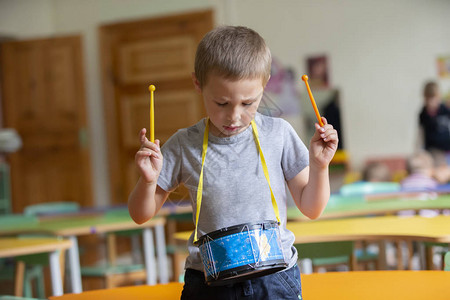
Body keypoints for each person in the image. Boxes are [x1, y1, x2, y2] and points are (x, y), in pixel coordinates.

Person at [128, 26, 338, 300]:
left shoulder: (279, 134)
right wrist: (148, 181)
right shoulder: (184, 144)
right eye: (222, 103)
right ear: (198, 84)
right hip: (208, 285)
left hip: (273, 280)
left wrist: (320, 167)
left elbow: (312, 208)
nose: (235, 116)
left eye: (248, 103)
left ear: (265, 85)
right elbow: (140, 214)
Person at [418, 81, 450, 165]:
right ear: (425, 99)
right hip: (433, 150)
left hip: (447, 147)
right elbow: (421, 134)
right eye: (430, 99)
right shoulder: (424, 114)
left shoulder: (444, 109)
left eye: (435, 98)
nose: (432, 102)